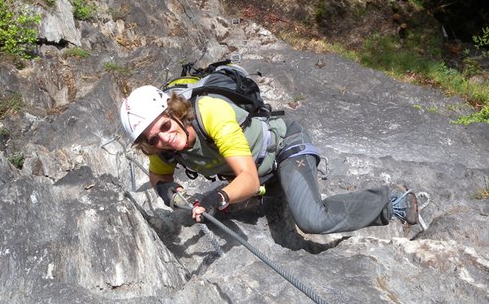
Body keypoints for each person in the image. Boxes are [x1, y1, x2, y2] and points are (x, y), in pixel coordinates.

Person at [119, 84, 426, 234]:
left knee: (311, 220)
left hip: (284, 151)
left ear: (173, 113)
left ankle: (389, 202)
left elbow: (247, 180)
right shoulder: (166, 149)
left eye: (165, 126)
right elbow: (159, 178)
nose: (164, 138)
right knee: (227, 210)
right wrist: (170, 194)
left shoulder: (210, 113)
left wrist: (218, 196)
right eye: (152, 139)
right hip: (263, 178)